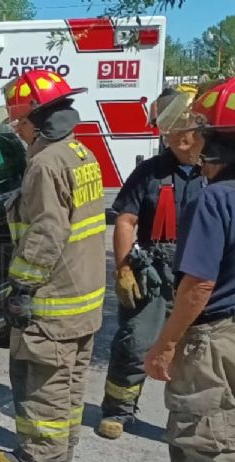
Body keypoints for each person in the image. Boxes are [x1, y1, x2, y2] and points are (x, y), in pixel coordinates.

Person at [0, 69, 107, 462]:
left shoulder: (45, 164)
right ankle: (63, 444)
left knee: (43, 377)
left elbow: (45, 232)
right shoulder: (80, 153)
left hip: (55, 296)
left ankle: (40, 456)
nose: (17, 130)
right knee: (71, 376)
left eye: (18, 121)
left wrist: (22, 286)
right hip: (86, 292)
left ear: (37, 120)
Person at [144, 78, 235, 462]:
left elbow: (198, 285)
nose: (195, 140)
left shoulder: (215, 198)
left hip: (217, 339)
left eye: (202, 130)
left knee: (209, 444)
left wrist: (166, 343)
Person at [97, 85, 206, 440]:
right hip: (157, 272)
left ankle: (188, 422)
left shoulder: (219, 174)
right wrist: (124, 266)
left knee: (198, 351)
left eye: (182, 132)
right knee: (135, 341)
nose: (176, 140)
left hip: (204, 272)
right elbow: (126, 220)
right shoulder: (150, 173)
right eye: (170, 134)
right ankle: (118, 411)